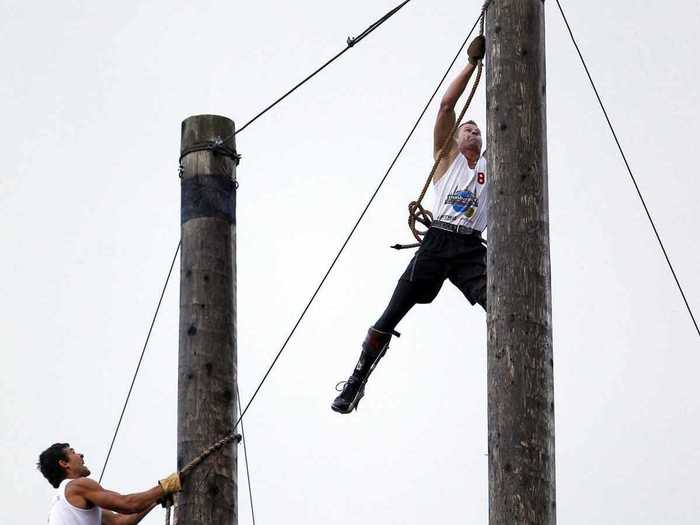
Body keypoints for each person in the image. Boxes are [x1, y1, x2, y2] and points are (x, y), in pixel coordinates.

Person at [332, 35, 488, 414]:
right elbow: (447, 105)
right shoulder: (446, 159)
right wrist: (472, 65)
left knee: (501, 303)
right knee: (392, 311)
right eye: (467, 128)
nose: (472, 131)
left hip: (469, 247)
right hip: (437, 242)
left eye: (477, 130)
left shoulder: (491, 166)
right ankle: (357, 379)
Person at [37, 443, 181, 525]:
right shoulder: (76, 487)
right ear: (64, 463)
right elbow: (128, 504)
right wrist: (168, 485)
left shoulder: (64, 504)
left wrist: (156, 498)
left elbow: (119, 522)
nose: (80, 455)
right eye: (73, 452)